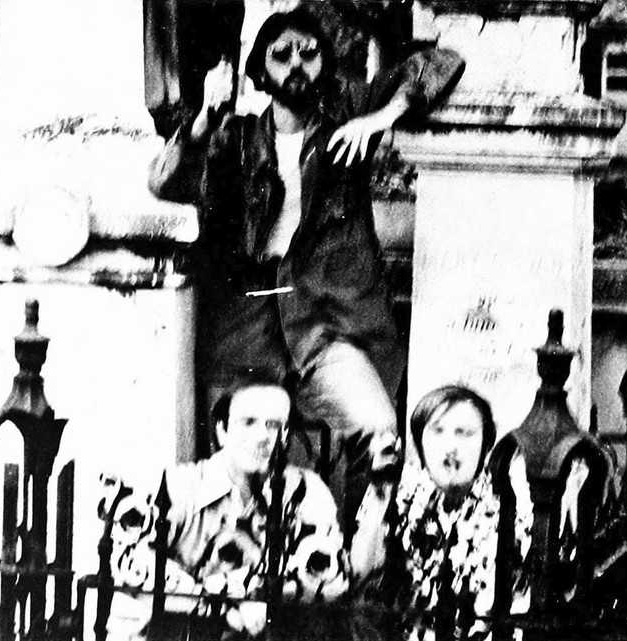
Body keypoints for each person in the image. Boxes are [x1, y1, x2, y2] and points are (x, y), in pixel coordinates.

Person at [147, 6, 465, 531]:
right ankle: (238, 559)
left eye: (309, 53)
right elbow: (165, 183)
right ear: (259, 71)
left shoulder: (350, 113)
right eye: (281, 55)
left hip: (326, 321)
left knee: (380, 431)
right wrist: (205, 115)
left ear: (326, 64)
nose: (296, 64)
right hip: (249, 327)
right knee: (232, 448)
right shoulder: (237, 138)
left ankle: (364, 552)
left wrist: (380, 118)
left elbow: (441, 62)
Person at [98, 370, 348, 638]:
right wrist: (227, 607)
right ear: (222, 431)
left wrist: (258, 598)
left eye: (274, 425)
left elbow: (333, 580)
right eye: (248, 422)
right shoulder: (178, 487)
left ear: (285, 435)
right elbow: (132, 564)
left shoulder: (306, 491)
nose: (261, 436)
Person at [351, 386, 534, 641]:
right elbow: (360, 581)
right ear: (420, 443)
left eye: (465, 434)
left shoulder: (508, 504)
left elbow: (509, 612)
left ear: (486, 445)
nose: (450, 447)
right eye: (437, 431)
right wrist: (382, 491)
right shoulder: (400, 489)